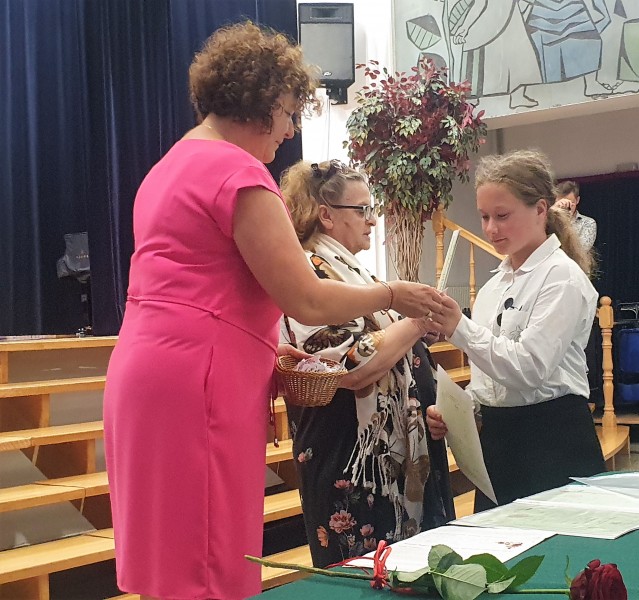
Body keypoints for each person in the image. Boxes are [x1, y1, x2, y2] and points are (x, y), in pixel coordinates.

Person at [102, 23, 443, 600]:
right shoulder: (236, 172)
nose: (290, 130)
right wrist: (393, 295)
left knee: (174, 564)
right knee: (208, 568)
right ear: (262, 102)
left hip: (149, 372)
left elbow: (199, 289)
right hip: (198, 381)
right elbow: (305, 298)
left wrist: (261, 344)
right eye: (289, 113)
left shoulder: (169, 166)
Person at [279, 159, 455, 567]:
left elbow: (385, 346)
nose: (373, 221)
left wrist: (418, 337)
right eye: (362, 210)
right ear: (326, 215)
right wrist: (416, 321)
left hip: (385, 458)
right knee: (363, 578)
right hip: (349, 458)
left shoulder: (353, 272)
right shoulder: (309, 272)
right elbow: (348, 365)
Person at [425, 150, 606, 513]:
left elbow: (529, 369)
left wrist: (459, 327)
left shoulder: (562, 278)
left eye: (502, 216)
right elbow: (490, 379)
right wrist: (460, 410)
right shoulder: (493, 287)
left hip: (552, 441)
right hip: (499, 444)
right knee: (497, 549)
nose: (491, 229)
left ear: (540, 209)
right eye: (484, 217)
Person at [555, 180, 597, 250]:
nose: (565, 206)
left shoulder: (588, 223)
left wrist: (567, 221)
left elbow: (580, 250)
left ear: (577, 200)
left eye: (570, 203)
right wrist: (554, 213)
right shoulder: (550, 221)